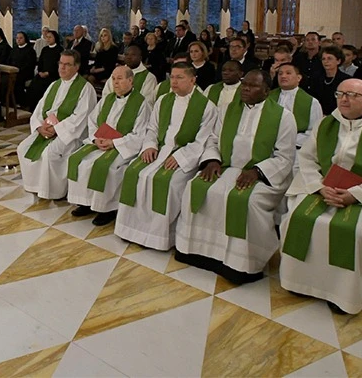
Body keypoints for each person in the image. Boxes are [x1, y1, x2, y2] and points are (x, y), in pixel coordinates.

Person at [280, 79, 362, 314]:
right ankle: (302, 282)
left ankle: (342, 294)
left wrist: (354, 195)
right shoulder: (326, 124)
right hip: (324, 189)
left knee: (354, 231)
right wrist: (318, 186)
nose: (344, 99)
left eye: (351, 95)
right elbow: (307, 158)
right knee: (296, 218)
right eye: (340, 94)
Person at [176, 70, 296, 284]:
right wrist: (212, 160)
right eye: (244, 84)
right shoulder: (228, 109)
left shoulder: (283, 117)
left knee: (245, 201)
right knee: (195, 187)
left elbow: (284, 156)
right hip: (226, 167)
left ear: (267, 91)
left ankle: (241, 264)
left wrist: (257, 171)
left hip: (261, 174)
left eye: (253, 86)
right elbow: (213, 139)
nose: (246, 89)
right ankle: (196, 252)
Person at [116, 62, 217, 250]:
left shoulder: (206, 106)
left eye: (180, 77)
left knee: (167, 182)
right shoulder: (163, 100)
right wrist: (149, 146)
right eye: (172, 77)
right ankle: (132, 230)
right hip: (159, 150)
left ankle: (157, 237)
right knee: (134, 173)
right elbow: (152, 127)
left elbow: (203, 140)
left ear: (193, 80)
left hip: (185, 155)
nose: (174, 81)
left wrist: (181, 157)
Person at [67, 66, 151, 226]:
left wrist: (114, 142)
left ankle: (106, 209)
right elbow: (92, 121)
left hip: (122, 147)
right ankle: (85, 202)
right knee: (80, 161)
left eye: (119, 78)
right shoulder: (107, 99)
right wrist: (95, 139)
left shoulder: (141, 103)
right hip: (100, 143)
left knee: (107, 168)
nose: (115, 82)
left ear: (130, 80)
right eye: (113, 78)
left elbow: (139, 134)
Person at [17, 49, 97, 200]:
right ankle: (34, 185)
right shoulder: (54, 85)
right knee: (23, 148)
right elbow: (39, 109)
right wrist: (40, 127)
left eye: (67, 64)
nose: (62, 67)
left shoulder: (86, 89)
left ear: (77, 67)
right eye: (61, 63)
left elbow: (80, 117)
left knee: (50, 153)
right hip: (47, 130)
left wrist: (56, 129)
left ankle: (53, 192)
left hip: (70, 135)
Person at [269, 63, 323, 150]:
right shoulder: (268, 98)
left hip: (296, 148)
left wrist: (288, 140)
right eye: (280, 73)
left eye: (288, 73)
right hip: (268, 145)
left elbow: (315, 131)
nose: (283, 76)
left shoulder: (311, 102)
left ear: (299, 78)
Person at [25, 30, 63, 109]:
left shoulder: (60, 50)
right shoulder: (45, 49)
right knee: (34, 85)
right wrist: (40, 72)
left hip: (53, 75)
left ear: (55, 38)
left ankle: (43, 108)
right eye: (47, 37)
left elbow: (59, 65)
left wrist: (48, 73)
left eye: (50, 37)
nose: (48, 39)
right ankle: (32, 107)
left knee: (43, 87)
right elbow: (40, 63)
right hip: (42, 74)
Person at [312, 46, 351, 115]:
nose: (326, 61)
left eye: (329, 58)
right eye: (323, 59)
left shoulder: (346, 80)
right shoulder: (316, 78)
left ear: (338, 61)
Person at [9, 31, 37, 108]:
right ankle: (9, 101)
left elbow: (30, 65)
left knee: (17, 80)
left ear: (25, 39)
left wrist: (18, 71)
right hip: (13, 72)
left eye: (21, 38)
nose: (18, 40)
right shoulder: (14, 49)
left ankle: (21, 102)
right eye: (17, 38)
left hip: (25, 73)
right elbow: (10, 61)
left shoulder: (30, 51)